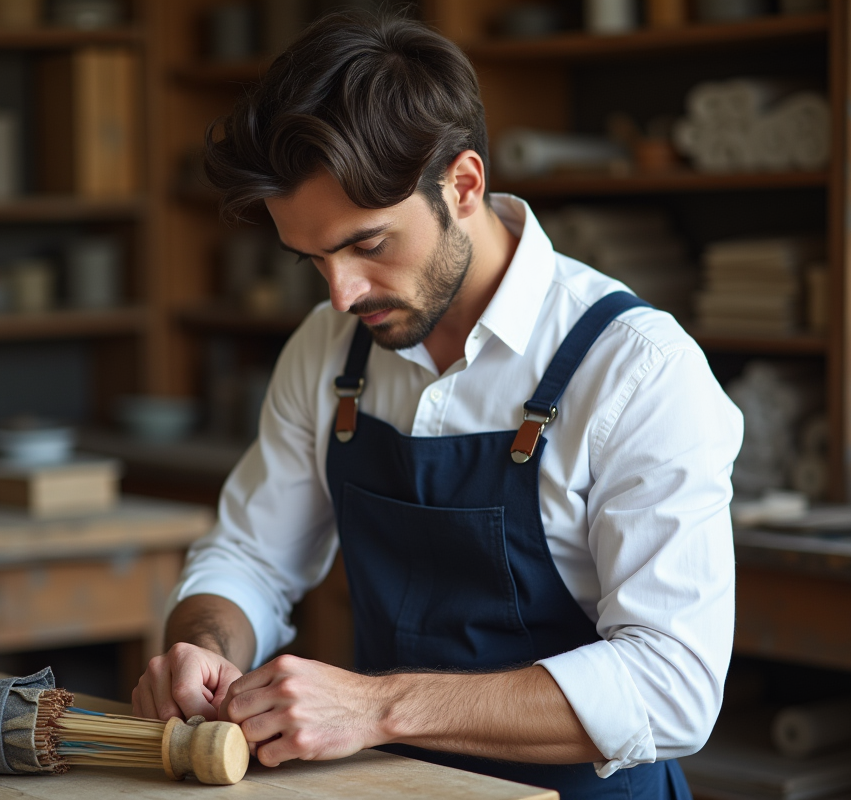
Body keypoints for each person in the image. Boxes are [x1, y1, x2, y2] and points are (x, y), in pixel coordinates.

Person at [133, 12, 742, 799]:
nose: (341, 293)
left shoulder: (637, 370)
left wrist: (377, 707)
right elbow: (252, 558)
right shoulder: (328, 350)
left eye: (369, 244)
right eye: (313, 259)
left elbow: (672, 685)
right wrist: (202, 644)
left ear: (463, 184)